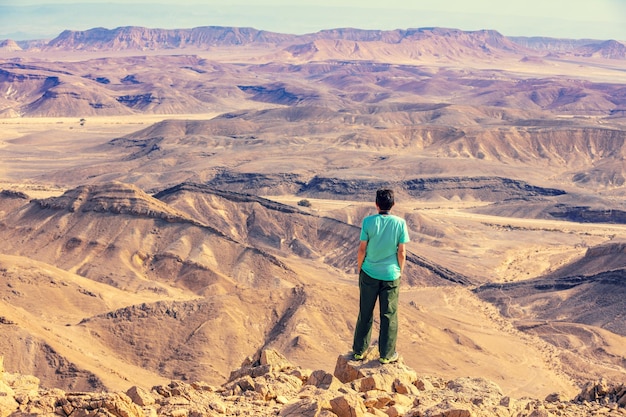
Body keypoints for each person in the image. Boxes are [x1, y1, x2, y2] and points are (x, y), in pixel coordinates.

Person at [352, 189, 410, 364]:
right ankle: (386, 354)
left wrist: (360, 268)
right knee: (389, 314)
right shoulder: (400, 223)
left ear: (376, 204)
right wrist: (399, 271)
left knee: (365, 312)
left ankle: (359, 351)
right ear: (393, 204)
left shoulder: (368, 222)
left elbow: (362, 248)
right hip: (391, 275)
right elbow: (402, 252)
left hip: (369, 273)